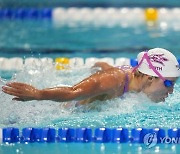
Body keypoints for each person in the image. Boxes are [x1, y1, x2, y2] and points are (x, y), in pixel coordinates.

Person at [2, 48, 180, 104]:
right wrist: (38, 94)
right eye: (168, 84)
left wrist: (100, 66)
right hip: (67, 109)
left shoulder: (133, 80)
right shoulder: (114, 80)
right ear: (150, 77)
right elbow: (73, 92)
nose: (171, 91)